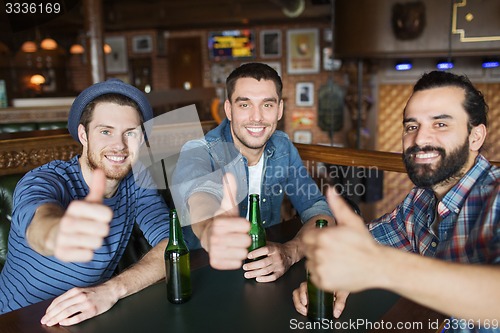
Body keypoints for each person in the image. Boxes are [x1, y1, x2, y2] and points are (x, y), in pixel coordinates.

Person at [292, 70, 499, 332]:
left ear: (476, 136)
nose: (420, 138)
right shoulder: (421, 198)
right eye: (412, 126)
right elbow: (367, 246)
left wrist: (381, 267)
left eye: (440, 124)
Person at [0, 79, 170, 326]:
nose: (119, 145)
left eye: (130, 133)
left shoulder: (137, 182)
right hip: (17, 321)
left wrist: (112, 290)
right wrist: (57, 234)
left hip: (86, 320)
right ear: (83, 135)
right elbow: (39, 220)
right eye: (105, 131)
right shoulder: (46, 179)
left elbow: (172, 244)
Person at [172, 62, 333, 282]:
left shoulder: (283, 147)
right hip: (204, 275)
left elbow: (319, 211)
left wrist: (290, 252)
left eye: (267, 105)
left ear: (279, 110)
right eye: (245, 105)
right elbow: (200, 195)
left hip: (267, 273)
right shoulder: (198, 150)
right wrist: (211, 229)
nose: (256, 117)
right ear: (229, 110)